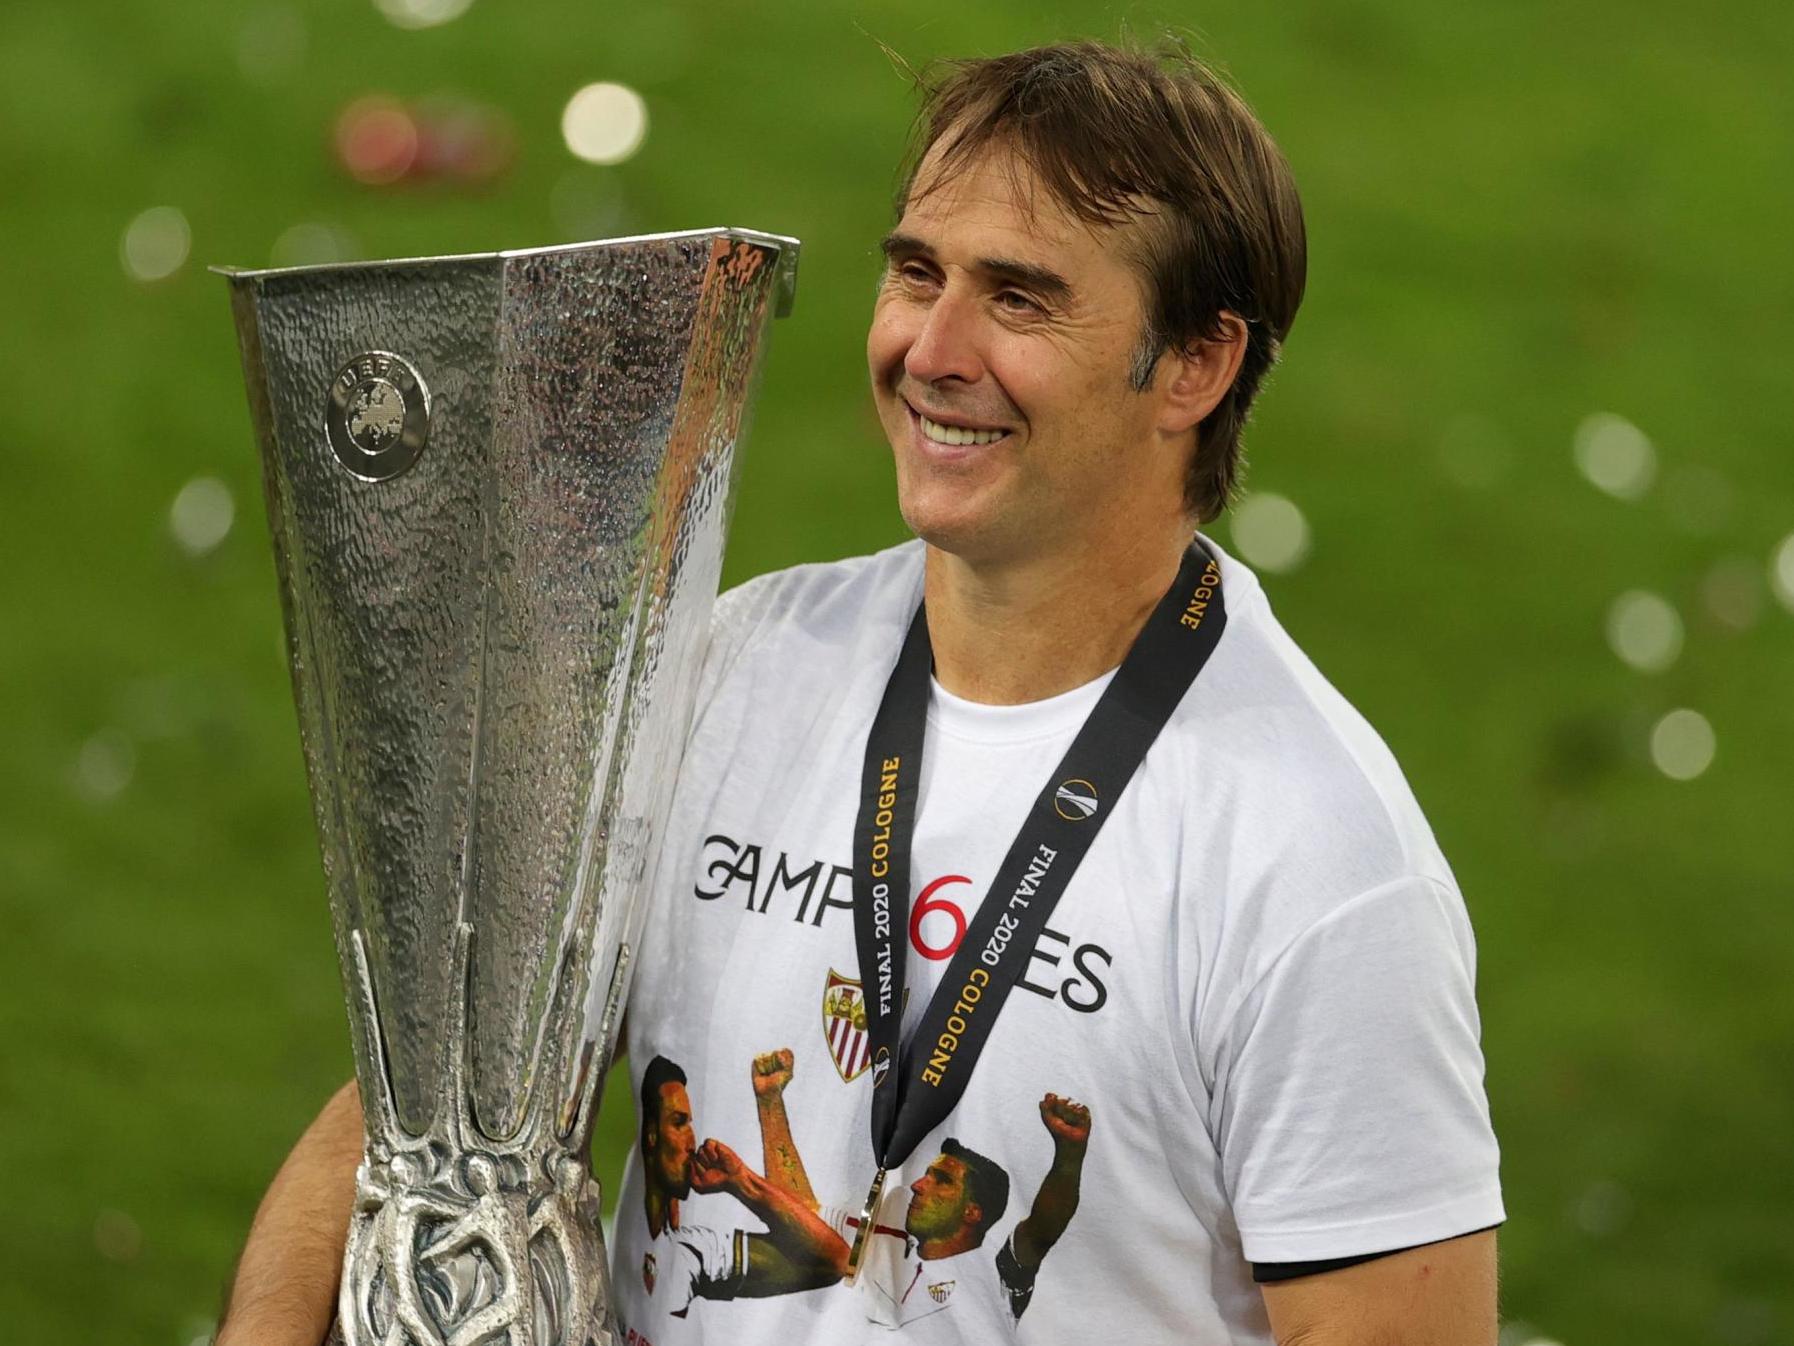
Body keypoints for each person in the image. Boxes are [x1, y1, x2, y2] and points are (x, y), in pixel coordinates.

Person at [216, 37, 1502, 1346]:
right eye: (914, 273)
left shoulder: (1316, 859)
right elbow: (419, 1132)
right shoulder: (727, 675)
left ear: (1193, 365)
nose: (930, 349)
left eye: (1019, 297)